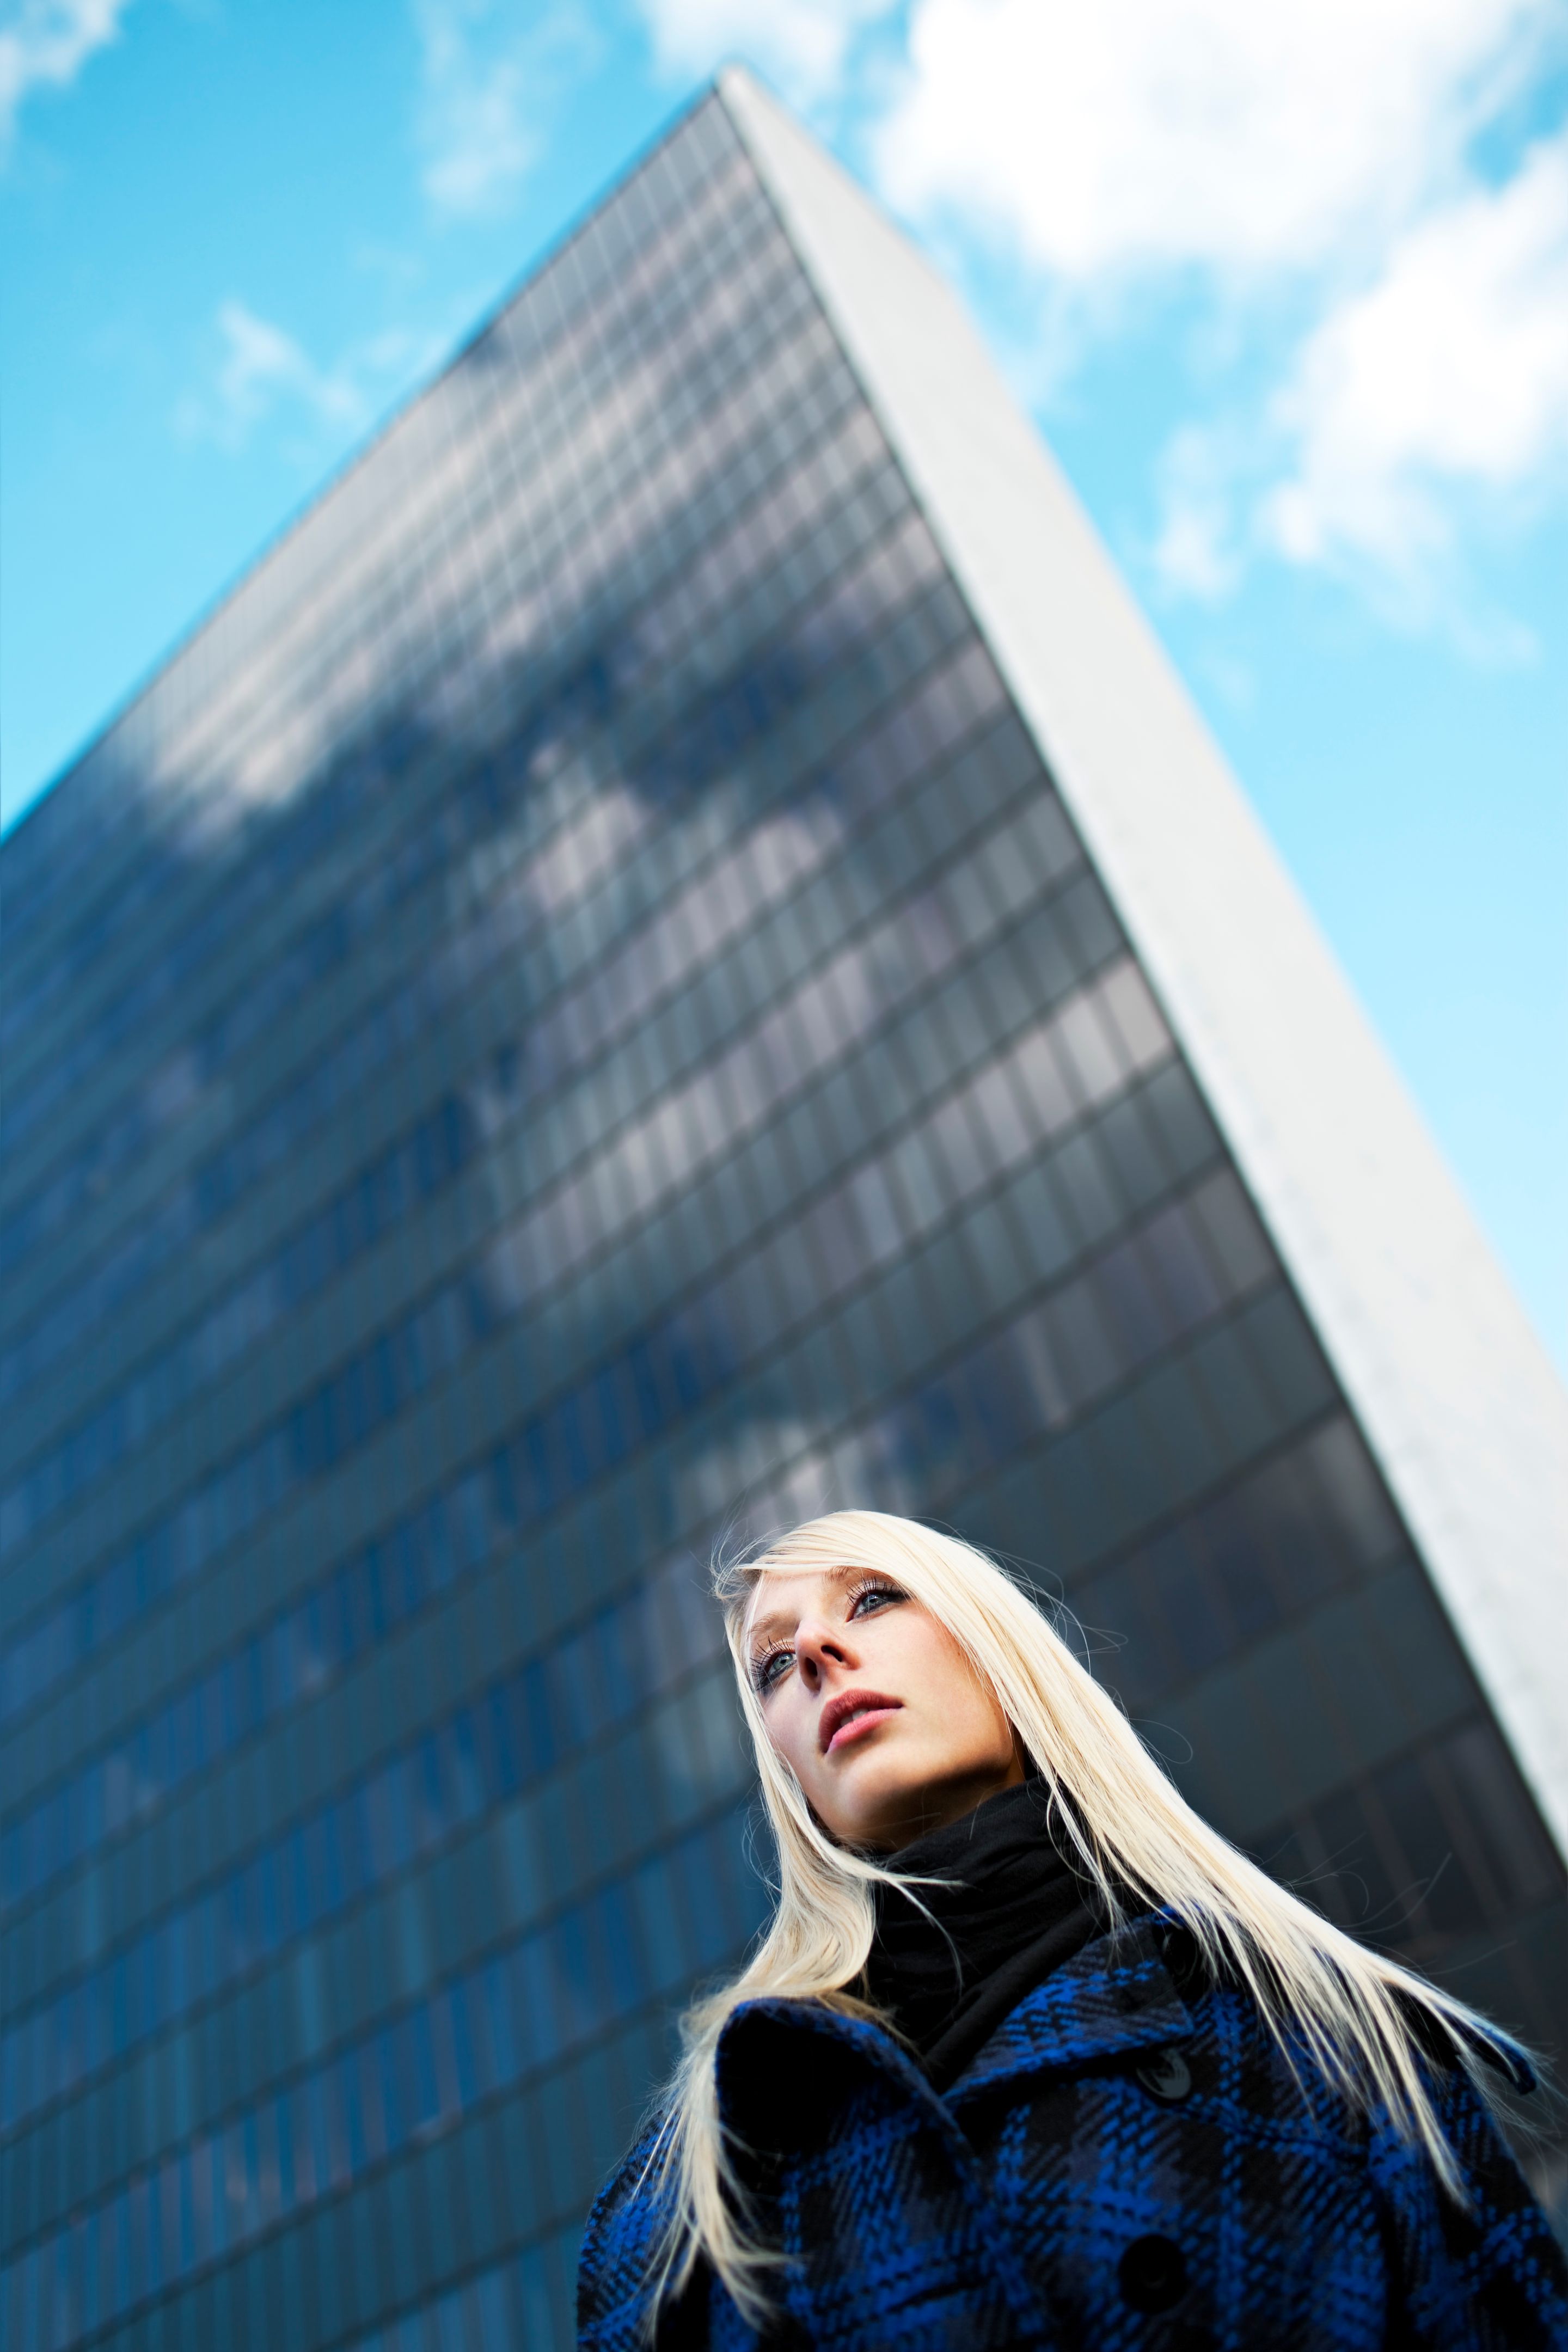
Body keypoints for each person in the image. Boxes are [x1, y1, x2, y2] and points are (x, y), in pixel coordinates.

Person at [578, 1510, 1567, 2349]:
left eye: (872, 1600)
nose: (816, 1658)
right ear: (787, 1772)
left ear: (995, 1648)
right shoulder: (700, 2175)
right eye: (771, 1666)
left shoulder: (1324, 2045)